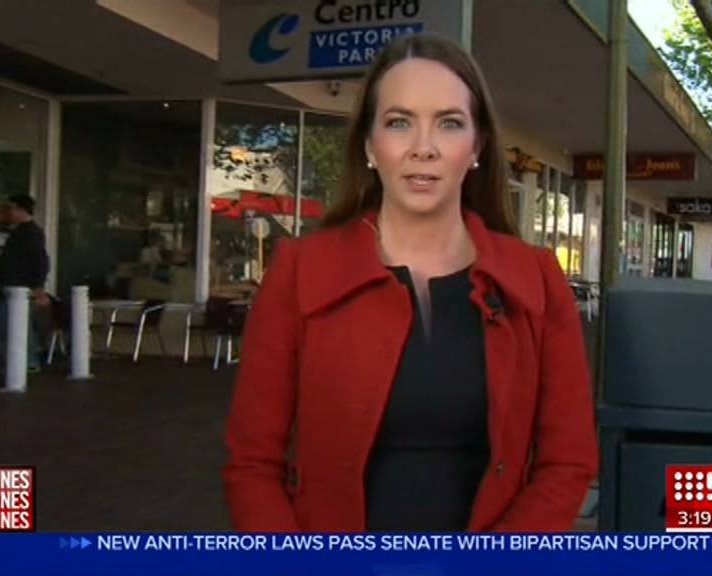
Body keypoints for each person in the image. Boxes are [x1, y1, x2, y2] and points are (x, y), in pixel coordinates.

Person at [222, 33, 597, 532]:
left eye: (449, 123)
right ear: (369, 145)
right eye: (399, 122)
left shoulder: (536, 280)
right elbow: (252, 464)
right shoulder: (298, 271)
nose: (423, 148)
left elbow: (567, 462)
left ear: (477, 146)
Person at [0, 194, 50, 373]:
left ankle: (27, 361)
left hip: (20, 287)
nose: (10, 213)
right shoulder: (19, 232)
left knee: (18, 326)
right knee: (10, 324)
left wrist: (38, 286)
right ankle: (18, 361)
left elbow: (40, 261)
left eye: (12, 208)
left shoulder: (30, 233)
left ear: (21, 210)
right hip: (12, 285)